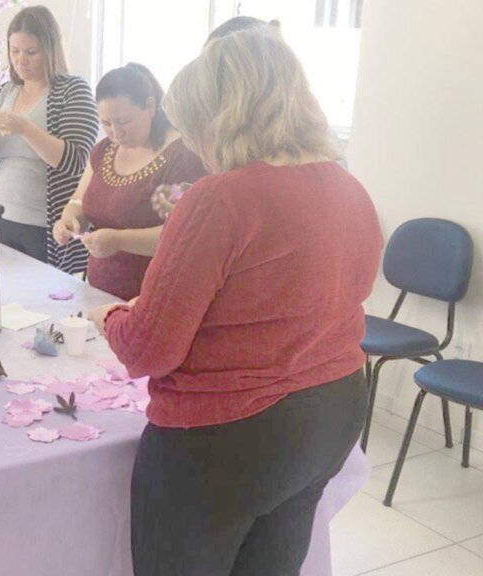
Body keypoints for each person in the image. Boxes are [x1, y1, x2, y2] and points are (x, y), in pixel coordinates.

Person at [89, 28, 383, 575]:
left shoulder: (220, 199)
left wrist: (112, 317)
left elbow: (149, 350)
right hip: (331, 414)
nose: (198, 147)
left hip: (226, 440)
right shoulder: (349, 188)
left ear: (222, 117)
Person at [0, 5, 99, 274]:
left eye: (30, 52)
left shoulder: (73, 91)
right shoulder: (5, 93)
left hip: (47, 227)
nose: (20, 60)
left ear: (50, 50)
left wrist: (25, 127)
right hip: (1, 219)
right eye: (14, 51)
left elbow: (74, 160)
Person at [52, 64, 207, 300]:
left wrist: (120, 240)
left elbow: (185, 234)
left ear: (150, 107)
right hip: (98, 292)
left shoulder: (182, 157)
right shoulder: (104, 150)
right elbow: (78, 200)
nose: (115, 133)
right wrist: (69, 220)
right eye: (106, 123)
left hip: (151, 298)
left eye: (124, 121)